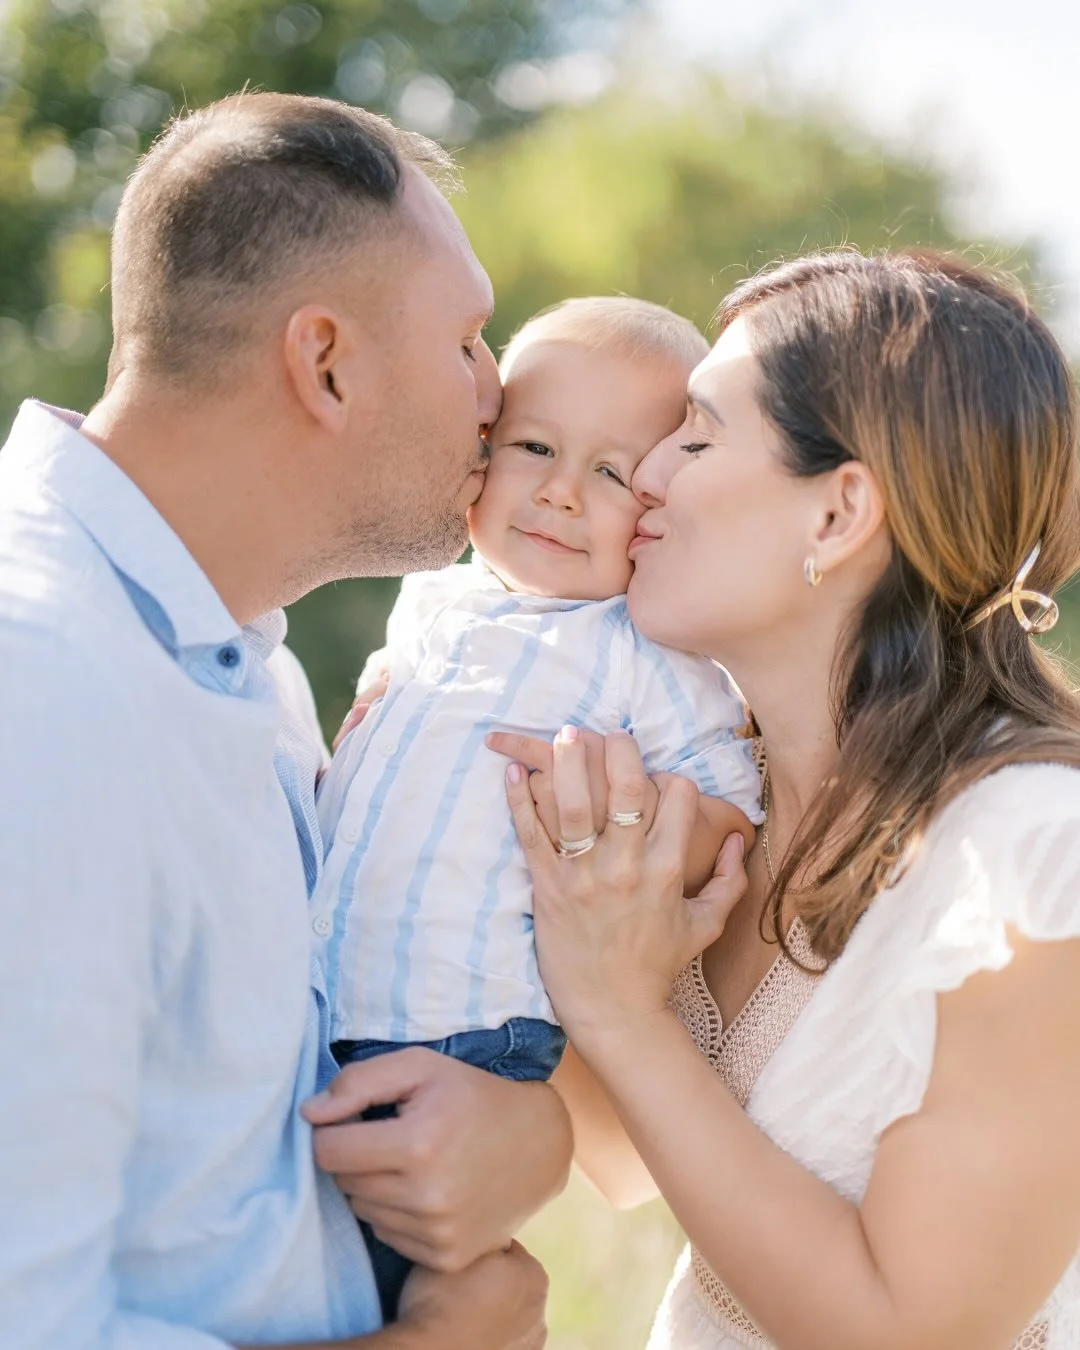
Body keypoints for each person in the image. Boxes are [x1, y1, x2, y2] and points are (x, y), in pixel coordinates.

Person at [0, 92, 571, 1350]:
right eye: (469, 339)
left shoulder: (241, 665)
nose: (499, 389)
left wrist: (528, 1129)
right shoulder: (37, 692)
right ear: (326, 363)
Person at [491, 250, 1080, 1349]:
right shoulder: (724, 797)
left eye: (698, 436)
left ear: (837, 513)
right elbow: (625, 1159)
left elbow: (913, 1332)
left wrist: (620, 1006)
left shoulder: (1030, 860)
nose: (647, 473)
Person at [315, 296, 762, 1315]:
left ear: (654, 510)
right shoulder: (430, 598)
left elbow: (732, 812)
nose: (561, 494)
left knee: (398, 1266)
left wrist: (631, 808)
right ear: (478, 455)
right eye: (534, 447)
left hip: (468, 1030)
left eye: (609, 472)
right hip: (320, 1000)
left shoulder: (642, 648)